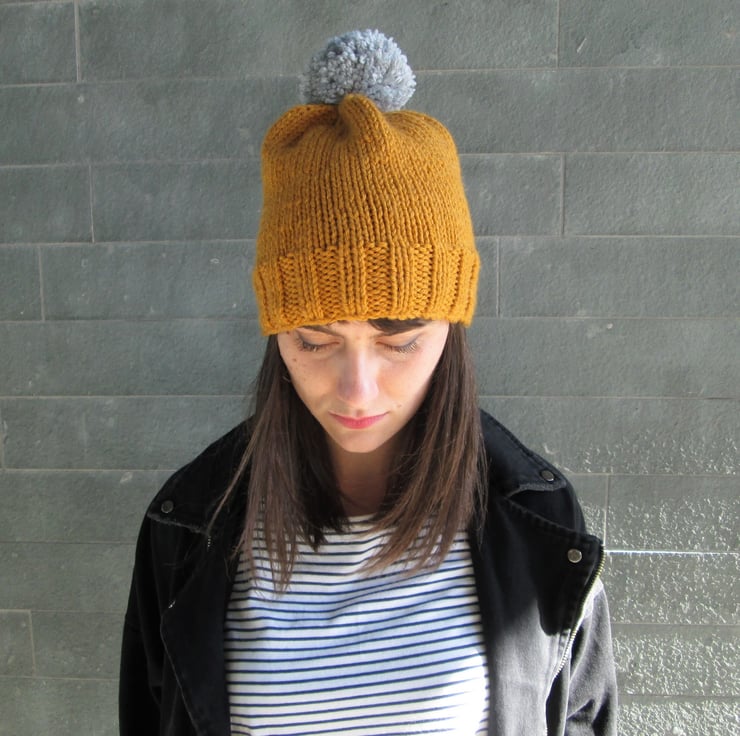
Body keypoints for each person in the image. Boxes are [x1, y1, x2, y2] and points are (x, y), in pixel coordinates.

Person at [119, 30, 617, 736]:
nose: (357, 389)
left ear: (451, 332)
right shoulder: (186, 527)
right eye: (314, 340)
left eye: (400, 341)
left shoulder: (538, 520)